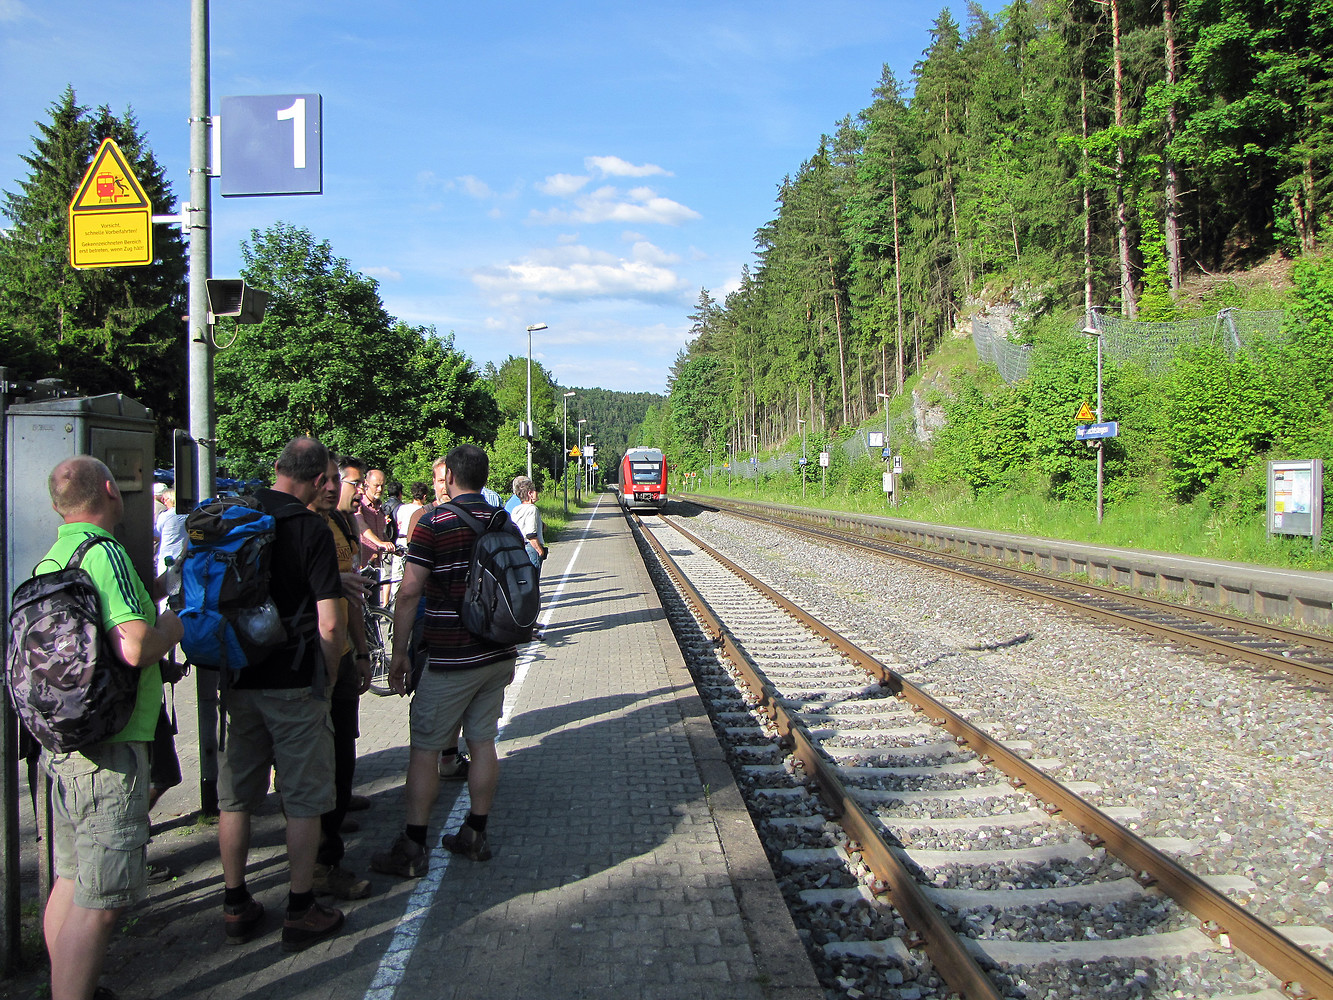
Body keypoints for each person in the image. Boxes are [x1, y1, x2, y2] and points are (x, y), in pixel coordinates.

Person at [37, 456, 184, 1000]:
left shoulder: (53, 557)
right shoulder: (107, 554)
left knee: (72, 881)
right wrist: (174, 622)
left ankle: (65, 983)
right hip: (112, 744)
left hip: (65, 740)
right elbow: (135, 646)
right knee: (104, 903)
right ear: (108, 490)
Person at [216, 436, 347, 952]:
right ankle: (300, 908)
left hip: (239, 677)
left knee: (236, 798)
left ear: (276, 468)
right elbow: (331, 625)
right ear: (318, 481)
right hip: (294, 683)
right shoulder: (310, 529)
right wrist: (330, 678)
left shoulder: (233, 515)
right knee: (304, 798)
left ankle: (234, 903)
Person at [370, 445, 521, 877]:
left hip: (450, 658)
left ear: (451, 476)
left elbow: (409, 591)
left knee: (425, 749)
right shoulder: (502, 521)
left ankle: (414, 847)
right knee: (482, 743)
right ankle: (475, 833)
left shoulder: (435, 523)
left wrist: (399, 653)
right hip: (496, 654)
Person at [309, 456, 373, 900]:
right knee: (322, 757)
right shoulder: (309, 530)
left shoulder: (341, 526)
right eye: (332, 481)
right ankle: (323, 862)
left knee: (343, 746)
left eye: (341, 481)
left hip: (343, 653)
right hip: (319, 660)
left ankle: (337, 810)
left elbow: (348, 595)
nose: (339, 488)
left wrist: (363, 649)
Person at [510, 481, 547, 571]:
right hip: (531, 547)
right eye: (535, 490)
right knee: (533, 578)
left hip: (518, 547)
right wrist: (540, 550)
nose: (537, 493)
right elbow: (531, 534)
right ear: (530, 493)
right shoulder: (532, 509)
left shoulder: (516, 509)